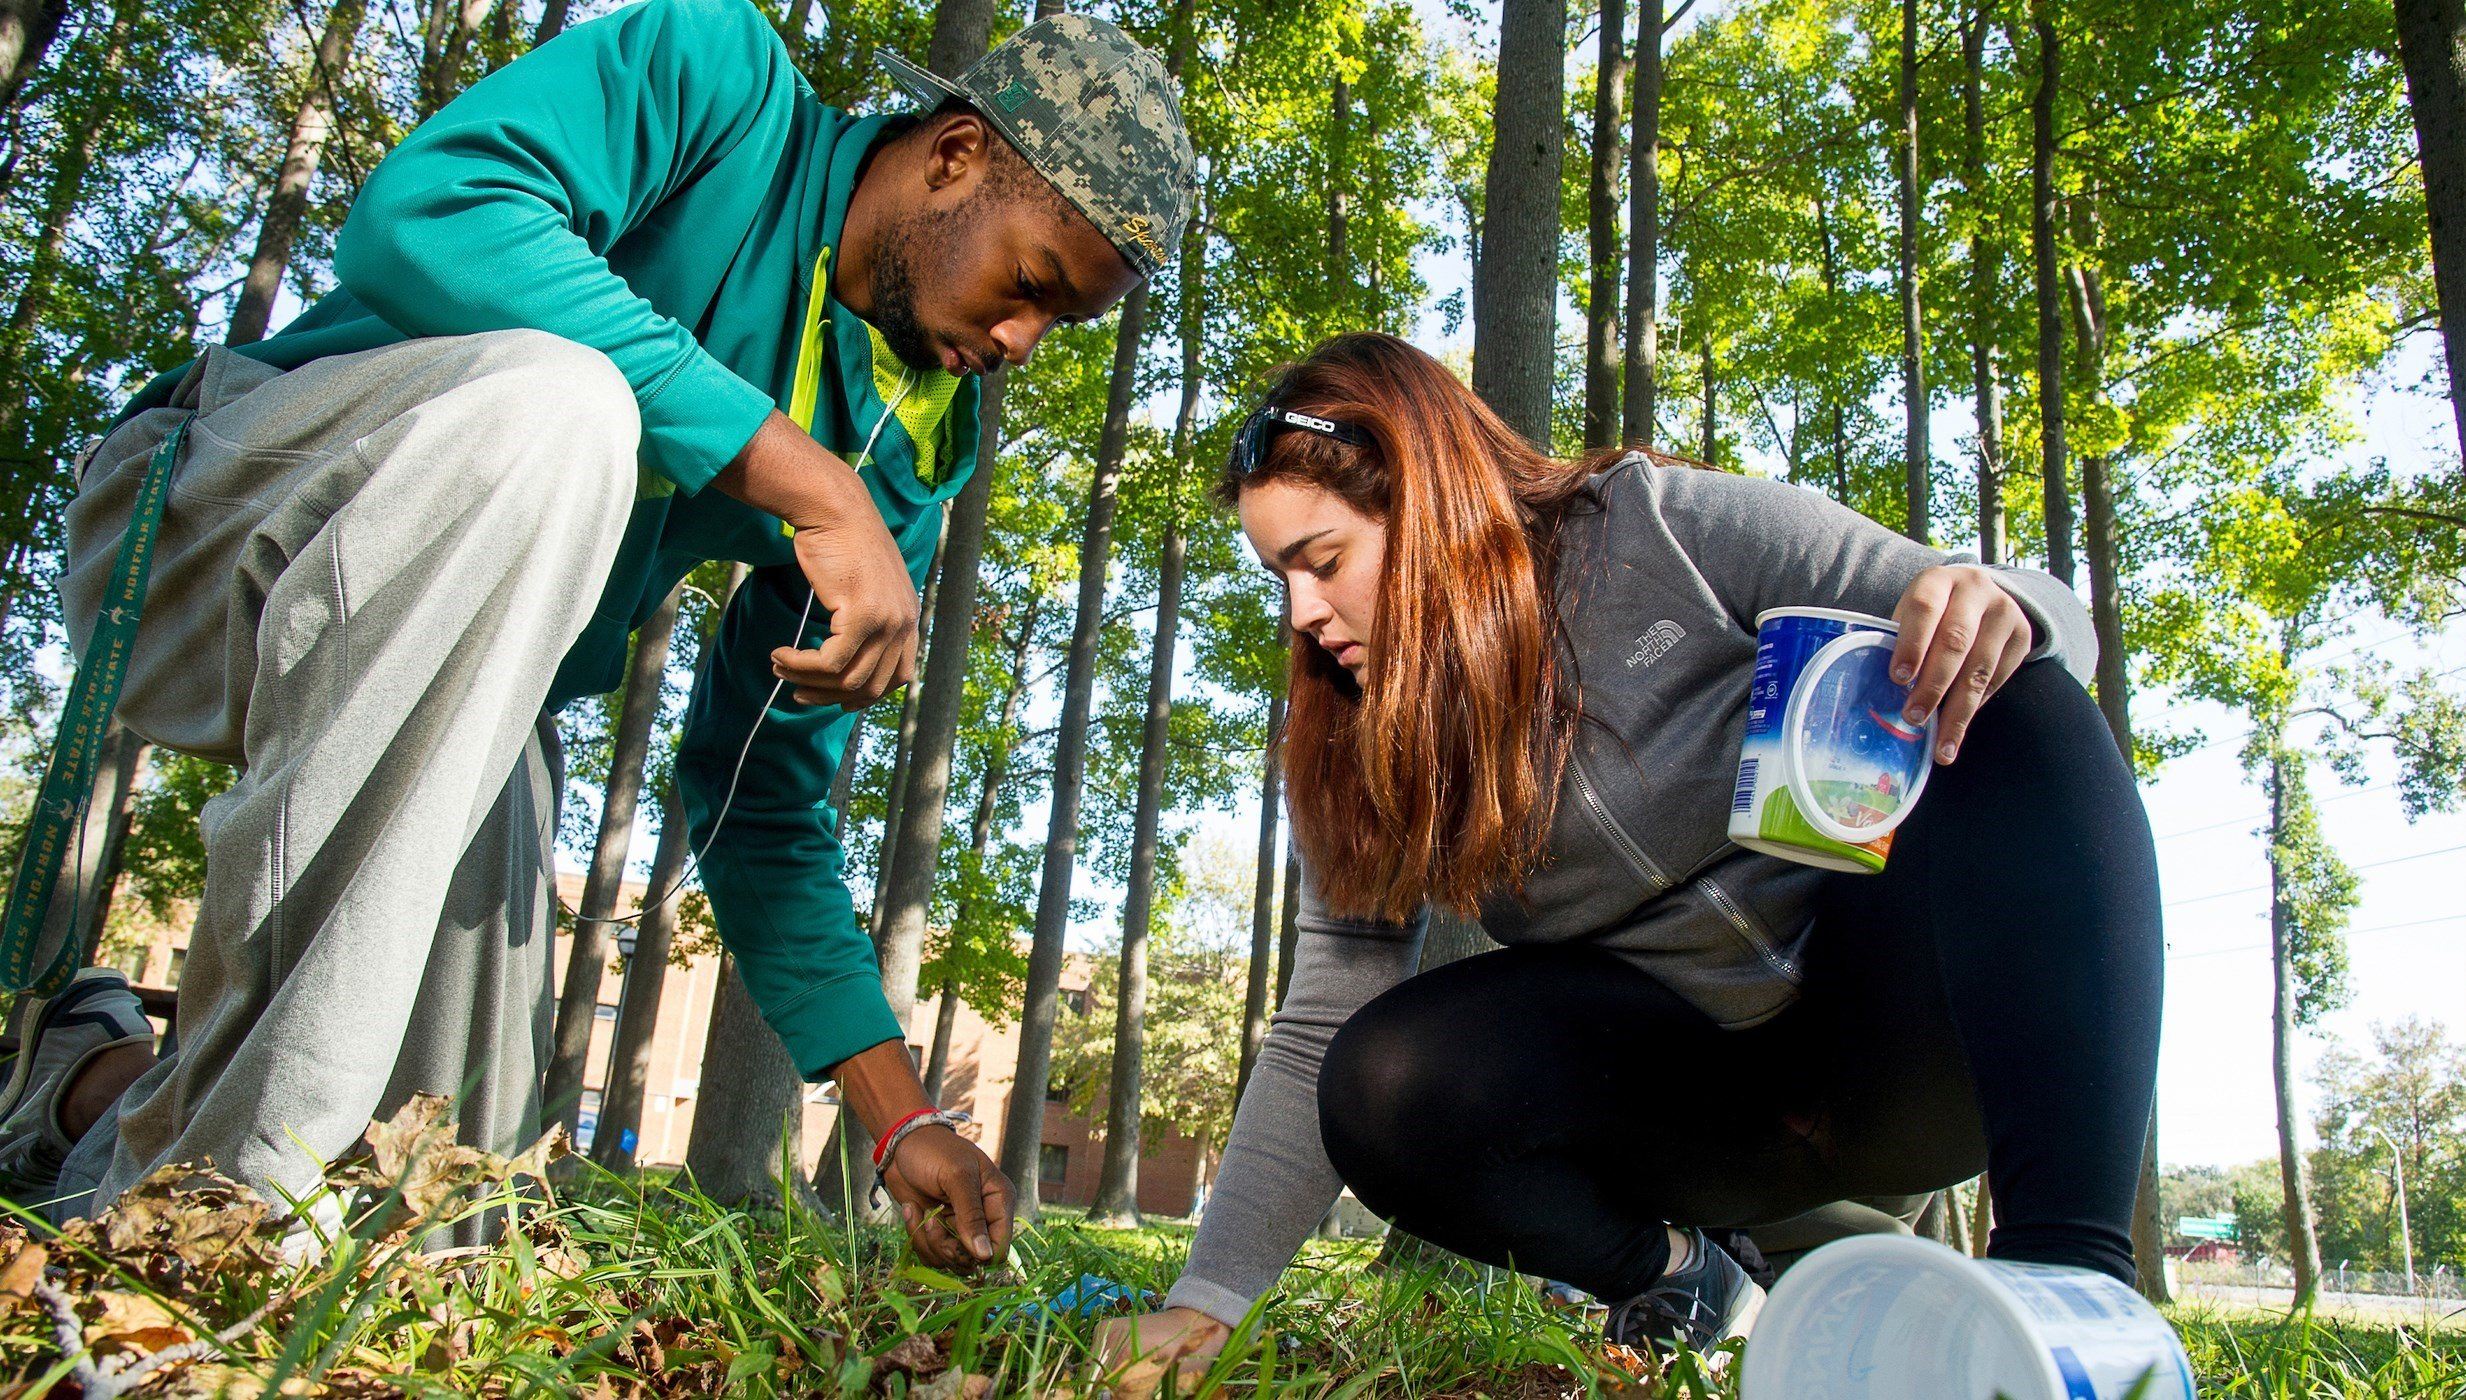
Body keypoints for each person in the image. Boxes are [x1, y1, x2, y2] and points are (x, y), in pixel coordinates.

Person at [0, 0, 1194, 1274]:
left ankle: (70, 1085)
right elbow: (432, 212)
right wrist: (791, 471)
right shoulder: (716, 80)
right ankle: (210, 1238)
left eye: (1060, 327)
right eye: (1030, 284)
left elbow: (761, 800)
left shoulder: (899, 452)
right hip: (214, 528)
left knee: (449, 1198)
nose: (1018, 344)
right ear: (955, 153)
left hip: (456, 705)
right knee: (564, 410)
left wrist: (901, 1115)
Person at [1094, 333, 2161, 1374]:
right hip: (1705, 1114)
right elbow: (1321, 1015)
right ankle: (1686, 1281)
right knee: (1378, 1074)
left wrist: (2002, 599)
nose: (1303, 613)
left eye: (1321, 562)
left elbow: (2034, 627)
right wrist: (1208, 1298)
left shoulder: (1659, 524)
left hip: (1905, 1046)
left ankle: (2071, 1273)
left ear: (1428, 507)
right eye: (1279, 577)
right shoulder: (1359, 737)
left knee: (2009, 680)